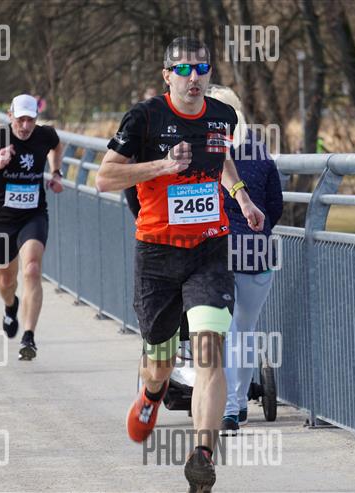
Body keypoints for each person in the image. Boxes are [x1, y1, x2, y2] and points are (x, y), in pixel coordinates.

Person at [96, 37, 265, 492]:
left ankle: (202, 455)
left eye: (202, 68)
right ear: (167, 75)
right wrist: (162, 167)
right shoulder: (144, 118)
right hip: (157, 254)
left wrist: (241, 197)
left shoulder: (222, 116)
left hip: (209, 251)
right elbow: (105, 177)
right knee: (160, 361)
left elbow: (221, 158)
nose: (194, 77)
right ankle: (152, 393)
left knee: (210, 350)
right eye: (184, 70)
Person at [204, 85, 283, 435]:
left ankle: (228, 408)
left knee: (222, 331)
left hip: (217, 250)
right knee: (244, 331)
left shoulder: (206, 151)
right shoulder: (260, 152)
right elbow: (275, 205)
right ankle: (238, 405)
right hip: (257, 252)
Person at [0, 94, 64, 361]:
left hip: (33, 214)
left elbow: (56, 146)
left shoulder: (45, 135)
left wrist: (56, 173)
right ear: (10, 116)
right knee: (6, 280)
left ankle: (28, 336)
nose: (26, 126)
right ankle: (11, 305)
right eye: (21, 120)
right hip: (1, 218)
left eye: (31, 120)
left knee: (32, 269)